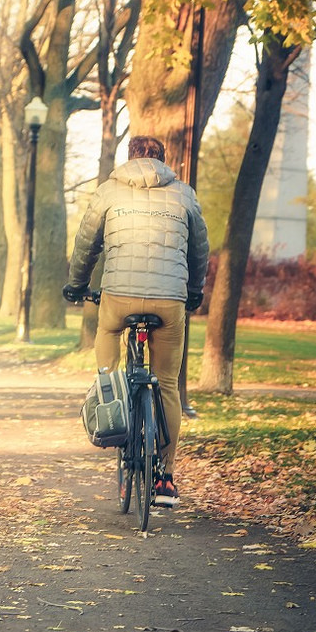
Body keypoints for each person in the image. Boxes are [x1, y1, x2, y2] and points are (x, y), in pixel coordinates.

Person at [62, 135, 209, 508]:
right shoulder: (183, 193)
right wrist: (193, 289)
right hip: (169, 300)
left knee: (109, 343)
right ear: (163, 159)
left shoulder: (109, 191)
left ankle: (109, 397)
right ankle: (166, 478)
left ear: (130, 158)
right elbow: (198, 247)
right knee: (169, 386)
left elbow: (87, 242)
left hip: (119, 296)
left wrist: (77, 284)